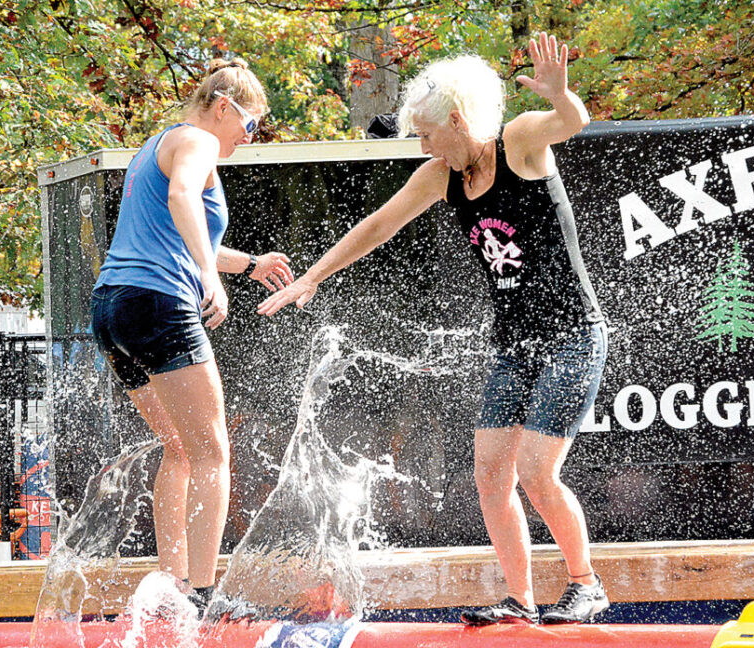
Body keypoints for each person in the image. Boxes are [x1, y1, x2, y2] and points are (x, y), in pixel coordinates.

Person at [259, 33, 609, 625]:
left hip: (573, 334)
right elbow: (378, 226)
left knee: (535, 472)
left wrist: (559, 94)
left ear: (456, 119)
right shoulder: (439, 176)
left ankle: (585, 584)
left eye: (426, 134)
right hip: (515, 343)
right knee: (490, 475)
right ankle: (520, 600)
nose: (422, 146)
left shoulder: (520, 142)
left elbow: (572, 122)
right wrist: (312, 278)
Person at [89, 57, 293, 610]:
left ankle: (172, 585)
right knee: (212, 453)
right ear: (223, 107)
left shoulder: (154, 146)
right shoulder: (198, 140)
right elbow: (183, 200)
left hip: (112, 309)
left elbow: (177, 232)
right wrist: (209, 277)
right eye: (250, 125)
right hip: (157, 302)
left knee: (178, 448)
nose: (249, 138)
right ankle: (204, 596)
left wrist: (247, 265)